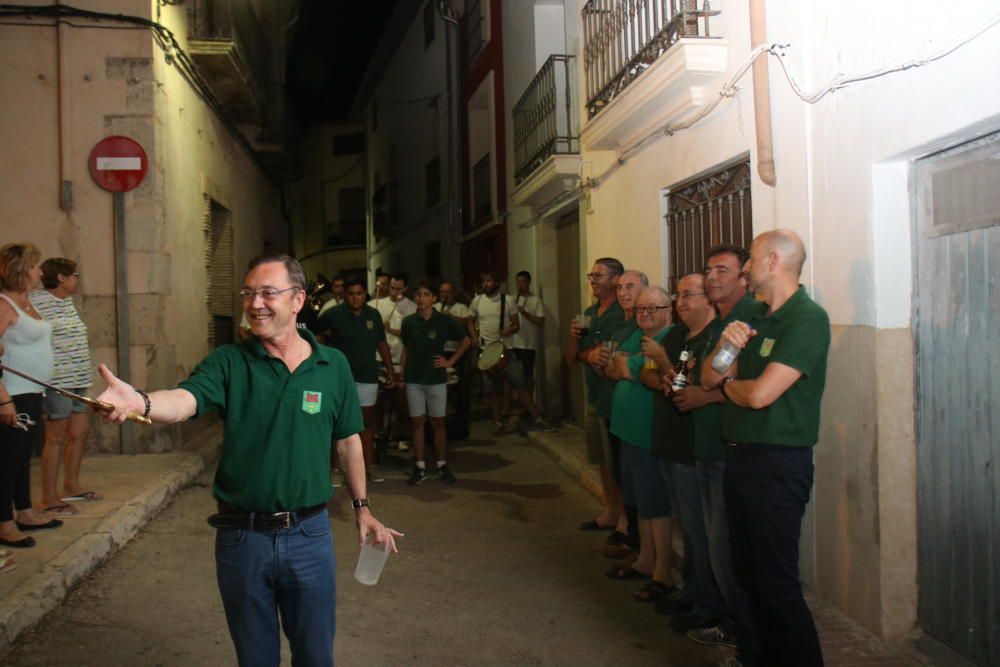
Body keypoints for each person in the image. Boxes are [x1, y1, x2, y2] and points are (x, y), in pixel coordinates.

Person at [95, 254, 402, 667]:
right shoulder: (230, 362)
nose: (255, 303)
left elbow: (349, 442)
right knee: (255, 659)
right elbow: (185, 401)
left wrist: (362, 508)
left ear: (298, 300)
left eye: (268, 293)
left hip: (310, 535)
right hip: (243, 539)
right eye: (249, 293)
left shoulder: (333, 365)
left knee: (315, 656)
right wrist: (142, 401)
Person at [702, 230, 830, 667]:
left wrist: (731, 385)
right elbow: (709, 378)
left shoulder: (807, 319)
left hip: (777, 465)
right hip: (740, 458)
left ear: (773, 261)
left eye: (752, 259)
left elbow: (759, 396)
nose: (746, 268)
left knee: (776, 583)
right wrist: (725, 348)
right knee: (746, 577)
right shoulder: (753, 316)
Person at [680, 244, 756, 652]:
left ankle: (742, 637)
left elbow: (716, 382)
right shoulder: (720, 324)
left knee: (727, 552)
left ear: (746, 276)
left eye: (722, 270)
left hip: (732, 453)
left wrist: (708, 389)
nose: (712, 277)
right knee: (714, 546)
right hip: (708, 446)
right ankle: (732, 627)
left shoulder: (747, 320)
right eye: (708, 270)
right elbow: (711, 374)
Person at [640, 273, 726, 633]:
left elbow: (701, 386)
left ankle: (708, 604)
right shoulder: (677, 335)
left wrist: (662, 362)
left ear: (709, 300)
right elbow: (657, 377)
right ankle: (692, 593)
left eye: (688, 295)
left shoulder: (714, 337)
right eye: (678, 295)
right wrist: (660, 374)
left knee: (702, 532)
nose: (680, 301)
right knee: (688, 529)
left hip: (696, 447)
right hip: (670, 443)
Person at [604, 287, 676, 602]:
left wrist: (627, 365)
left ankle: (663, 572)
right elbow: (610, 366)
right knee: (640, 502)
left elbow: (637, 371)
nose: (645, 313)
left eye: (653, 308)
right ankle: (646, 559)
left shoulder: (669, 337)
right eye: (641, 308)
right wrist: (628, 363)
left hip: (649, 435)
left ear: (668, 310)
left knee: (656, 503)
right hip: (629, 433)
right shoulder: (639, 337)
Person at [0, 243, 63, 554]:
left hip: (32, 392)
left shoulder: (26, 301)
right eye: (37, 266)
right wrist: (4, 401)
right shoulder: (3, 305)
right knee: (7, 460)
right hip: (13, 393)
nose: (41, 271)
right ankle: (5, 523)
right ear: (23, 269)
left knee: (24, 455)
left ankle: (24, 511)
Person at [30, 258, 100, 515]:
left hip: (80, 380)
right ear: (61, 277)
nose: (77, 279)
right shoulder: (35, 301)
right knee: (55, 438)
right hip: (57, 381)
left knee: (79, 433)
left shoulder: (67, 302)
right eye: (75, 275)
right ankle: (49, 497)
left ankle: (72, 484)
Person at [317, 277, 398, 484]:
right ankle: (336, 468)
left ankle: (368, 465)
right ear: (345, 295)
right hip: (339, 379)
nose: (355, 298)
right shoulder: (333, 314)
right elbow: (316, 335)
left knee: (365, 424)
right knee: (338, 423)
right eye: (351, 294)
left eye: (359, 293)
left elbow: (382, 343)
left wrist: (390, 370)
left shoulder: (374, 315)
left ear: (365, 295)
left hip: (368, 376)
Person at [566, 259, 626, 536]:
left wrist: (589, 354)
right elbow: (572, 357)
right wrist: (575, 339)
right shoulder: (589, 313)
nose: (592, 279)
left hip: (616, 398)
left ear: (616, 279)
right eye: (591, 275)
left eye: (598, 275)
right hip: (595, 395)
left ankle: (625, 518)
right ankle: (610, 510)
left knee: (619, 463)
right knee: (601, 458)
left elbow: (606, 355)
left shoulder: (621, 313)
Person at [400, 280, 471, 485]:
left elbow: (466, 340)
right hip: (414, 379)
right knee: (417, 423)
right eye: (418, 295)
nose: (421, 298)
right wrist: (401, 374)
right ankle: (420, 465)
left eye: (425, 294)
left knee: (438, 422)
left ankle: (441, 464)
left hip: (436, 379)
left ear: (434, 299)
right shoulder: (409, 322)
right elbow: (406, 349)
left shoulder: (443, 321)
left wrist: (450, 361)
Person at [468, 271, 554, 434]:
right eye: (484, 281)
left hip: (506, 350)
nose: (486, 284)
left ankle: (537, 418)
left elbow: (516, 325)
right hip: (486, 352)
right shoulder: (477, 301)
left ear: (496, 283)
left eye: (489, 280)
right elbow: (471, 322)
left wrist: (510, 330)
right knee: (491, 390)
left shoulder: (507, 301)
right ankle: (498, 422)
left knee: (520, 383)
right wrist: (474, 336)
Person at [369, 273, 416, 443]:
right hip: (379, 358)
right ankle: (378, 433)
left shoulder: (411, 307)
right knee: (377, 401)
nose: (395, 291)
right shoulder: (376, 304)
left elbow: (412, 335)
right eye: (392, 288)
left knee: (400, 400)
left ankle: (400, 433)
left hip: (399, 359)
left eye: (398, 288)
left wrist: (391, 330)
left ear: (405, 288)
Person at [435, 281, 472, 435]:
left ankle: (461, 420)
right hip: (440, 351)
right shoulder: (436, 307)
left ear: (454, 293)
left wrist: (449, 317)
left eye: (448, 292)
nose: (445, 295)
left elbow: (465, 323)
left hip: (456, 352)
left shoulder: (461, 308)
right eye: (443, 291)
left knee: (460, 385)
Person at [509, 270, 545, 397]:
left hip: (528, 345)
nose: (520, 285)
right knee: (512, 377)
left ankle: (530, 407)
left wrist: (524, 312)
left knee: (527, 376)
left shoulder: (535, 300)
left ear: (529, 283)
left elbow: (541, 322)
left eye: (523, 282)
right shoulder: (511, 299)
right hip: (512, 343)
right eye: (517, 282)